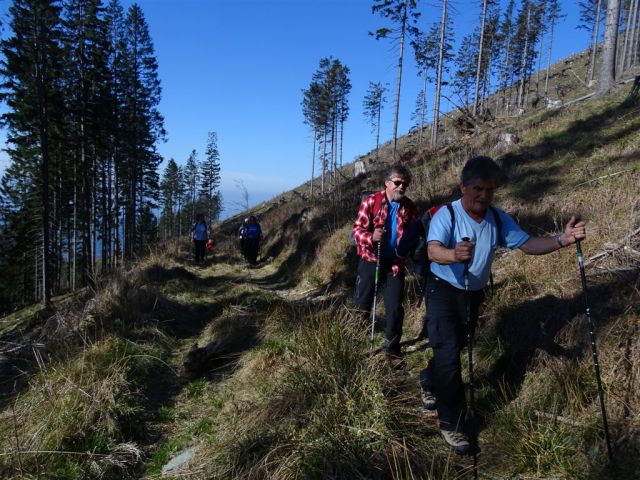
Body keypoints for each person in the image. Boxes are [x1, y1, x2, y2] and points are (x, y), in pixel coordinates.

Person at [419, 156, 586, 454]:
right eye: (478, 189)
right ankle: (452, 423)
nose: (484, 195)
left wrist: (562, 239)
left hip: (473, 294)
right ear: (463, 187)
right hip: (441, 290)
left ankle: (427, 379)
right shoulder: (448, 214)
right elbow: (433, 250)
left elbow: (527, 244)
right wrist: (453, 255)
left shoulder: (498, 218)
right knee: (448, 355)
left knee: (454, 347)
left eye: (491, 190)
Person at [352, 164, 420, 360]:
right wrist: (371, 237)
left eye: (405, 184)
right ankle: (354, 343)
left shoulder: (409, 207)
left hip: (396, 263)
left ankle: (392, 349)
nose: (401, 187)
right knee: (362, 304)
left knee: (395, 307)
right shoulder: (372, 201)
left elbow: (416, 233)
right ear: (387, 183)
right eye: (398, 183)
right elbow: (356, 231)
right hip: (371, 260)